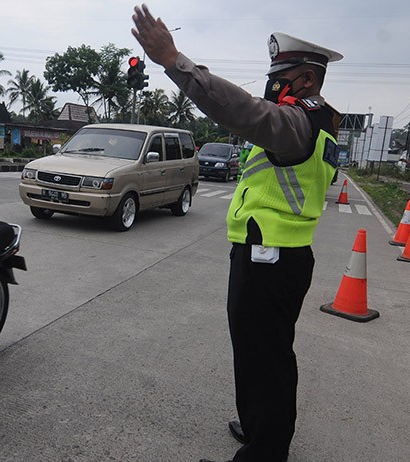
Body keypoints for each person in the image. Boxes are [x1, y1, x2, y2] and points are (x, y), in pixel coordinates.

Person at [132, 5, 342, 462]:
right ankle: (256, 425)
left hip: (273, 256)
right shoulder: (317, 120)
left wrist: (175, 62)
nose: (272, 85)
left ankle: (264, 453)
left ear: (306, 79)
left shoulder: (299, 121)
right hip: (270, 252)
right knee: (255, 352)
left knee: (266, 359)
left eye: (281, 76)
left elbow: (242, 111)